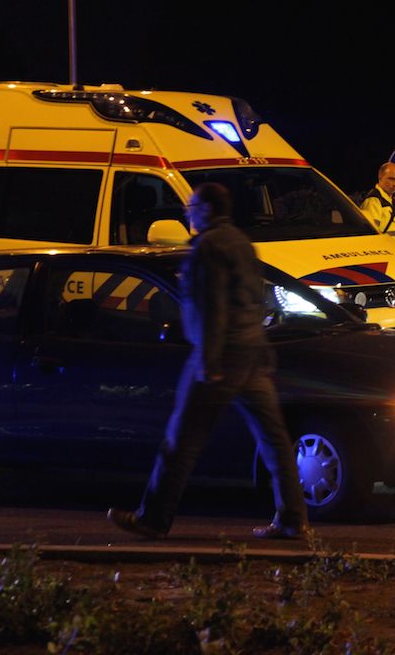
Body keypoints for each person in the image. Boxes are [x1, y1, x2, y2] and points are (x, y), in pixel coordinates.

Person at [108, 183, 310, 540]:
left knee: (181, 440)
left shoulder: (208, 247)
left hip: (220, 355)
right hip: (251, 353)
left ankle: (153, 519)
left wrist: (208, 360)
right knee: (274, 440)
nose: (187, 212)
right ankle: (293, 519)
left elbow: (210, 306)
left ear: (207, 209)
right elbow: (256, 300)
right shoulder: (243, 243)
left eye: (191, 206)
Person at [359, 162, 395, 244]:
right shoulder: (374, 201)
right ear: (380, 178)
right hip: (384, 250)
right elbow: (371, 235)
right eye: (391, 179)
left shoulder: (392, 201)